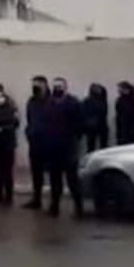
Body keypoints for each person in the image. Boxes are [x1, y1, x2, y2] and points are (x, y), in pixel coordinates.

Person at [48, 78, 86, 218]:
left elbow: (80, 123)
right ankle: (54, 206)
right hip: (53, 147)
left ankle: (79, 207)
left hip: (69, 146)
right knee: (55, 179)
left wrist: (75, 138)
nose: (57, 89)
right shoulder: (50, 103)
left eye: (60, 86)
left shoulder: (73, 103)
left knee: (72, 179)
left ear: (65, 87)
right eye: (55, 86)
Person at [24, 76, 52, 211]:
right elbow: (29, 118)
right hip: (35, 141)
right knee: (36, 172)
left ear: (45, 85)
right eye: (34, 84)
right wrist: (29, 132)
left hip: (49, 142)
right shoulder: (31, 101)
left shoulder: (52, 101)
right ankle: (36, 199)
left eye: (38, 84)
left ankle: (54, 202)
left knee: (53, 173)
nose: (35, 87)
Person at [0, 84, 19, 206]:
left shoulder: (10, 109)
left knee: (7, 171)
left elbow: (15, 123)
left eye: (0, 95)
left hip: (7, 144)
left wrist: (2, 129)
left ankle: (8, 196)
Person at [115, 81, 134, 145]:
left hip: (132, 129)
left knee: (132, 145)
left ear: (126, 89)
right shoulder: (120, 99)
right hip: (121, 129)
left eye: (120, 88)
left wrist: (133, 123)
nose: (119, 90)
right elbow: (118, 112)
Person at [82, 83, 109, 153]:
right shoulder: (88, 101)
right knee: (91, 145)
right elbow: (84, 114)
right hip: (92, 126)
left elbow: (104, 112)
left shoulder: (102, 100)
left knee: (102, 146)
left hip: (100, 125)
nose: (98, 91)